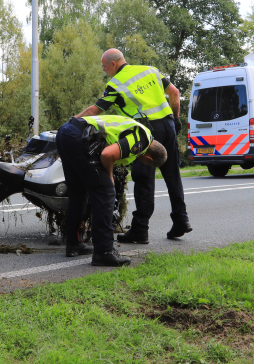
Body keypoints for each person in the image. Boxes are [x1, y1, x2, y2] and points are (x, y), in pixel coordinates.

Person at [75, 49, 190, 243]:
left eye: (104, 67)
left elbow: (94, 110)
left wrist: (73, 122)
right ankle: (181, 219)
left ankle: (140, 229)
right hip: (168, 125)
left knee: (144, 178)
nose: (104, 71)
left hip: (146, 132)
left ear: (113, 64)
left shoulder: (115, 84)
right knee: (172, 174)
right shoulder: (150, 70)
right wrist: (176, 119)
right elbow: (175, 94)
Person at [56, 114, 168, 266]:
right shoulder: (141, 139)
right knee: (106, 193)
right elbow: (107, 155)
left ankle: (74, 243)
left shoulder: (137, 129)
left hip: (67, 133)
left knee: (79, 193)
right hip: (79, 137)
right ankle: (104, 252)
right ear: (149, 159)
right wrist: (109, 176)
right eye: (147, 165)